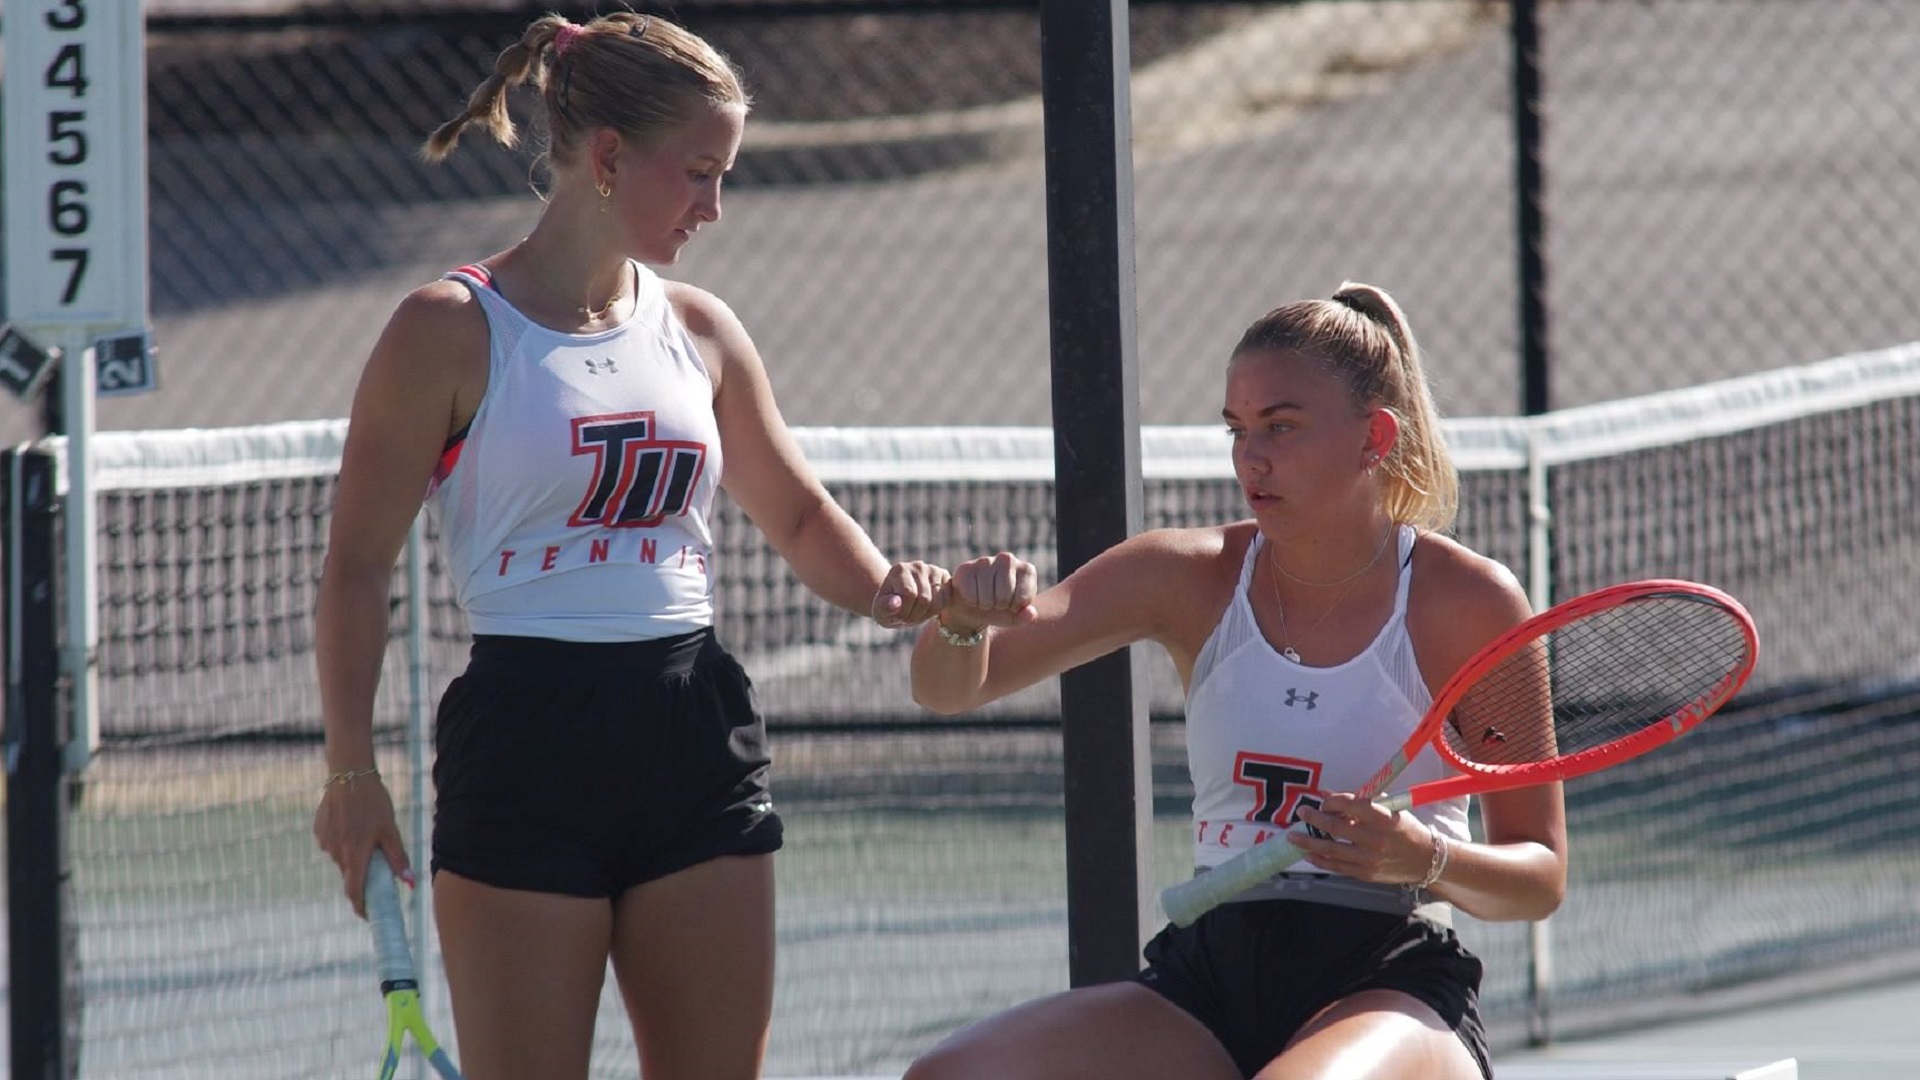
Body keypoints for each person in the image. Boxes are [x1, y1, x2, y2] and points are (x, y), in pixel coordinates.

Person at [309, 13, 951, 1080]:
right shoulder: (446, 329)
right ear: (607, 157)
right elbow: (355, 568)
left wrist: (898, 592)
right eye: (698, 173)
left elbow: (796, 516)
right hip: (525, 745)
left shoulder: (700, 329)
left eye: (724, 175)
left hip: (694, 733)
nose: (713, 207)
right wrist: (349, 776)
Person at [906, 283, 1568, 1080]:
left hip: (1392, 980)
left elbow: (1537, 878)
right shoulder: (1184, 577)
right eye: (1238, 429)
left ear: (1374, 436)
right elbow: (949, 689)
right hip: (1208, 978)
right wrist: (961, 623)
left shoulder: (1467, 602)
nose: (1251, 457)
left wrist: (1423, 858)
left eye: (1282, 427)